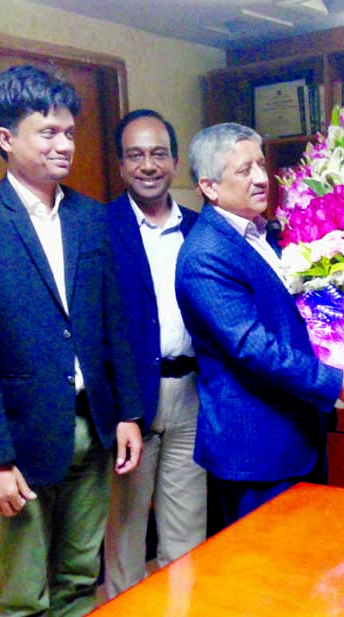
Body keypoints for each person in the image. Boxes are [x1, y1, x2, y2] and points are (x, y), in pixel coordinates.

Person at [0, 64, 143, 617]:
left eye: (69, 132)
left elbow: (111, 324)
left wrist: (127, 414)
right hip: (19, 441)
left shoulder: (91, 219)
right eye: (48, 132)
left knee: (79, 578)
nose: (64, 145)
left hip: (94, 427)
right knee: (25, 593)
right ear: (6, 138)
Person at [175, 122, 344, 528]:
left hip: (295, 432)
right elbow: (253, 346)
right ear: (210, 187)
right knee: (265, 575)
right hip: (256, 447)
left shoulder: (262, 234)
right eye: (244, 170)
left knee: (306, 566)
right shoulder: (205, 255)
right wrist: (334, 381)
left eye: (260, 164)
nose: (260, 178)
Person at [103, 109, 206, 597]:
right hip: (130, 404)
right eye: (136, 155)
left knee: (187, 534)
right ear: (121, 164)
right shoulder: (98, 229)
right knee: (124, 537)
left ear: (175, 161)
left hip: (192, 395)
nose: (149, 165)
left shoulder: (201, 229)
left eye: (159, 154)